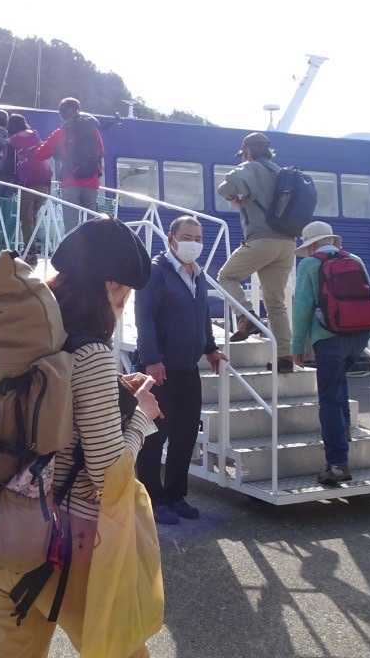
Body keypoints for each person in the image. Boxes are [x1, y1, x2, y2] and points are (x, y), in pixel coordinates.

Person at [0, 218, 159, 657]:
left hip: (1, 525)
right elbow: (107, 474)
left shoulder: (25, 337)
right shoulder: (91, 352)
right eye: (125, 293)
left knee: (15, 650)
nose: (123, 304)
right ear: (111, 284)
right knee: (120, 651)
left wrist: (112, 391)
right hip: (64, 541)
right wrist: (142, 416)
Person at [134, 215, 226, 524]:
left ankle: (176, 495)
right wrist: (151, 359)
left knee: (185, 435)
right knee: (154, 437)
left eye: (198, 238)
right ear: (171, 238)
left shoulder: (198, 274)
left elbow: (203, 315)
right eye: (187, 237)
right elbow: (145, 317)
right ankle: (153, 499)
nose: (194, 243)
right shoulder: (156, 272)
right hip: (159, 369)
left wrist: (210, 348)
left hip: (188, 368)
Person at [289, 221, 370, 486]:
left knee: (329, 399)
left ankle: (336, 464)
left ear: (310, 246)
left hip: (329, 339)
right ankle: (343, 436)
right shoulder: (355, 260)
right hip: (359, 337)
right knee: (339, 386)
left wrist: (297, 347)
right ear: (332, 240)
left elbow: (302, 308)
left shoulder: (309, 264)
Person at [216, 132, 299, 373]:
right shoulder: (281, 172)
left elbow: (225, 187)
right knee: (276, 303)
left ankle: (246, 317)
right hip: (287, 244)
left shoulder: (250, 167)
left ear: (248, 151)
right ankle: (284, 357)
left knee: (226, 276)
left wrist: (236, 197)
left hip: (262, 239)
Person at [32, 97, 105, 230]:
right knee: (92, 225)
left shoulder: (61, 133)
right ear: (78, 111)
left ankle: (73, 243)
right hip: (92, 182)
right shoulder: (93, 131)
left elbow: (40, 155)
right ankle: (92, 243)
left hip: (70, 182)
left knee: (71, 226)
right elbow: (101, 151)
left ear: (62, 115)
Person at [8, 113, 52, 243]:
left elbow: (9, 161)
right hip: (45, 182)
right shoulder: (35, 136)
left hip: (28, 182)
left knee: (25, 218)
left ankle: (29, 249)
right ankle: (32, 246)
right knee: (33, 216)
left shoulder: (14, 140)